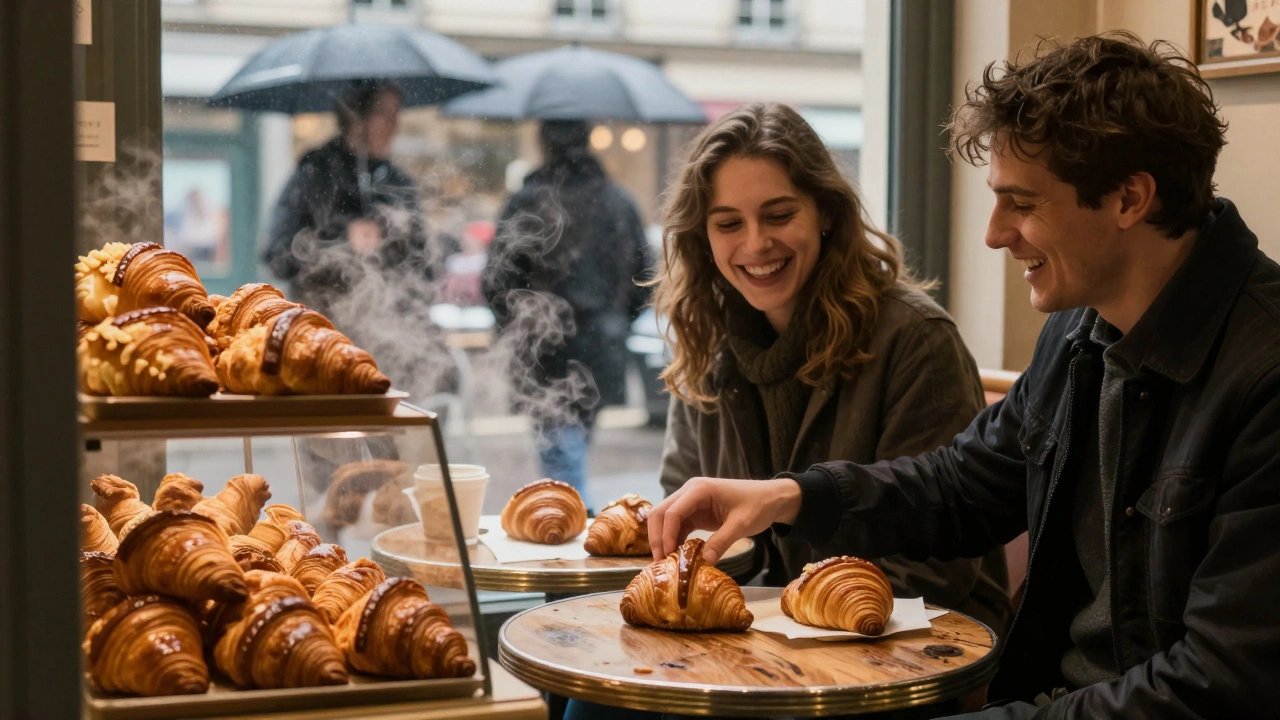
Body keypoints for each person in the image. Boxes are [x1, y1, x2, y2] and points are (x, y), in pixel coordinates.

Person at [648, 34, 1280, 719]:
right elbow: (961, 488)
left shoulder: (1263, 374)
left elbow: (1221, 683)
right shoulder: (1081, 330)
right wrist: (789, 497)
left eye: (1023, 203)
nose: (993, 233)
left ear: (1130, 199)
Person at [564, 103, 1011, 720]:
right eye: (728, 224)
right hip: (753, 643)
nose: (755, 244)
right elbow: (683, 522)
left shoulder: (913, 339)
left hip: (898, 656)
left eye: (778, 215)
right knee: (591, 698)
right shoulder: (708, 343)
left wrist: (762, 615)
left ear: (826, 213)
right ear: (703, 237)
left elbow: (933, 569)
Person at [483, 120, 651, 506]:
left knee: (560, 456)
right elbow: (647, 278)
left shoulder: (528, 200)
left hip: (544, 349)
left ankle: (572, 521)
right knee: (572, 446)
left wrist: (518, 324)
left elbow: (497, 280)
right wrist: (616, 320)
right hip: (601, 347)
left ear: (544, 144)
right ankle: (571, 515)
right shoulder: (617, 200)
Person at [263, 79, 431, 318]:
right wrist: (341, 238)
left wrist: (388, 242)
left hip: (390, 330)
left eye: (397, 115)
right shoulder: (316, 174)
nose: (395, 126)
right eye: (384, 114)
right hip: (322, 327)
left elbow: (423, 268)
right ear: (355, 116)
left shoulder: (400, 184)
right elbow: (277, 255)